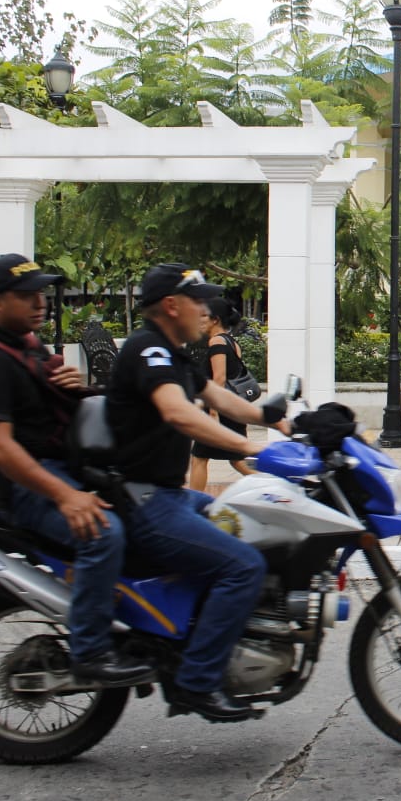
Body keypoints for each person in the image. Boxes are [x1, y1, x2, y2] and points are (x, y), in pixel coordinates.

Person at [0, 253, 156, 688]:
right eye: (26, 296)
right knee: (102, 533)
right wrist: (67, 496)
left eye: (41, 293)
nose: (39, 302)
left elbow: (42, 413)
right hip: (23, 482)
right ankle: (90, 653)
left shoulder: (25, 344)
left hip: (58, 464)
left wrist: (72, 388)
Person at [105, 262, 287, 722]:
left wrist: (286, 423)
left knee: (244, 525)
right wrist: (254, 449)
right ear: (172, 305)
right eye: (197, 300)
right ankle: (197, 682)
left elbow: (222, 398)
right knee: (244, 566)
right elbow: (178, 413)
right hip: (146, 501)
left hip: (167, 496)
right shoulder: (149, 351)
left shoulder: (173, 354)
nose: (205, 309)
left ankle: (200, 638)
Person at [188, 298, 253, 492]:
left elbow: (219, 380)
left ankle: (194, 504)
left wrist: (213, 415)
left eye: (203, 316)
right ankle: (275, 488)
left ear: (215, 319)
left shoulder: (216, 342)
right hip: (232, 410)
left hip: (220, 412)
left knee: (198, 458)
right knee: (237, 461)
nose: (200, 321)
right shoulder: (231, 342)